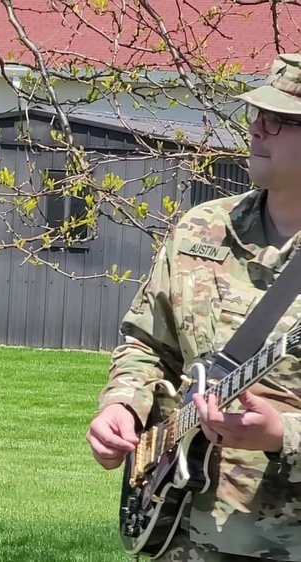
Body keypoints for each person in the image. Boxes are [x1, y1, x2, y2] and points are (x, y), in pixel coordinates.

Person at [86, 52, 301, 561]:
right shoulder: (202, 228)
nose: (256, 129)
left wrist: (282, 435)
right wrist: (123, 405)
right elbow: (146, 342)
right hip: (182, 533)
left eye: (277, 119)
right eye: (255, 114)